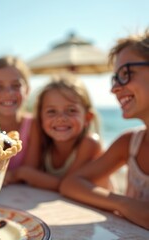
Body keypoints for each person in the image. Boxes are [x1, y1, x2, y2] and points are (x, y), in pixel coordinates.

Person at [60, 30, 149, 230]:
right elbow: (71, 184)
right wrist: (124, 203)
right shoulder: (129, 144)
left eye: (126, 74)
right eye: (115, 78)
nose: (114, 88)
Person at [8, 74, 107, 191]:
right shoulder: (46, 145)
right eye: (51, 111)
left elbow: (68, 187)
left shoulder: (90, 144)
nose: (60, 118)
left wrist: (22, 173)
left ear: (87, 117)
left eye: (71, 110)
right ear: (41, 118)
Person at [0, 56, 41, 184]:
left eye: (16, 85)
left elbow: (29, 171)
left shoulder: (33, 126)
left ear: (27, 91)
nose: (8, 93)